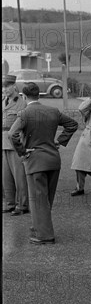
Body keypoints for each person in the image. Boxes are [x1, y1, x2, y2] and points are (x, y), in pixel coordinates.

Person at [9, 82, 78, 245]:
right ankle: (39, 227)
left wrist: (22, 151)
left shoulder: (24, 113)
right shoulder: (53, 111)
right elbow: (72, 124)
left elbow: (12, 134)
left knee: (37, 200)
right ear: (38, 95)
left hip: (35, 161)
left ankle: (45, 236)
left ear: (24, 97)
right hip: (53, 160)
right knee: (46, 199)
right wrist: (59, 141)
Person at [2, 73, 28, 216]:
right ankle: (9, 203)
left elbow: (23, 125)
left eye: (7, 86)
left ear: (14, 86)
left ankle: (22, 205)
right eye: (3, 86)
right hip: (3, 143)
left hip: (15, 143)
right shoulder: (3, 100)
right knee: (5, 177)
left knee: (19, 176)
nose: (4, 89)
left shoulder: (21, 102)